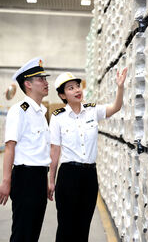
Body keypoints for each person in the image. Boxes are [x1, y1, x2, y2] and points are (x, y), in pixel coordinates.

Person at [48, 68, 127, 242]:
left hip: (90, 176)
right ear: (62, 95)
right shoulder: (58, 117)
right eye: (70, 88)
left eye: (78, 86)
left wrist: (120, 87)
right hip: (68, 175)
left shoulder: (92, 110)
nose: (77, 90)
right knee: (66, 228)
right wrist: (51, 180)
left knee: (83, 228)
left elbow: (116, 107)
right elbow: (55, 150)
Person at [0, 57, 51, 242]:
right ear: (28, 84)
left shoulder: (40, 112)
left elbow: (40, 152)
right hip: (24, 179)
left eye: (46, 78)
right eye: (41, 79)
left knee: (33, 233)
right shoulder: (18, 110)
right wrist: (6, 181)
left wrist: (44, 179)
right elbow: (10, 146)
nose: (46, 83)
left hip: (37, 178)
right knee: (23, 234)